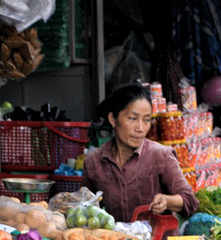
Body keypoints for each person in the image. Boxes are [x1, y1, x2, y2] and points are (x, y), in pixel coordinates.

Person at [83, 83, 198, 223]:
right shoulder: (94, 161)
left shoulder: (161, 155)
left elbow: (190, 201)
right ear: (113, 119)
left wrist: (167, 201)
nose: (141, 128)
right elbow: (87, 210)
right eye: (132, 119)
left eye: (147, 120)